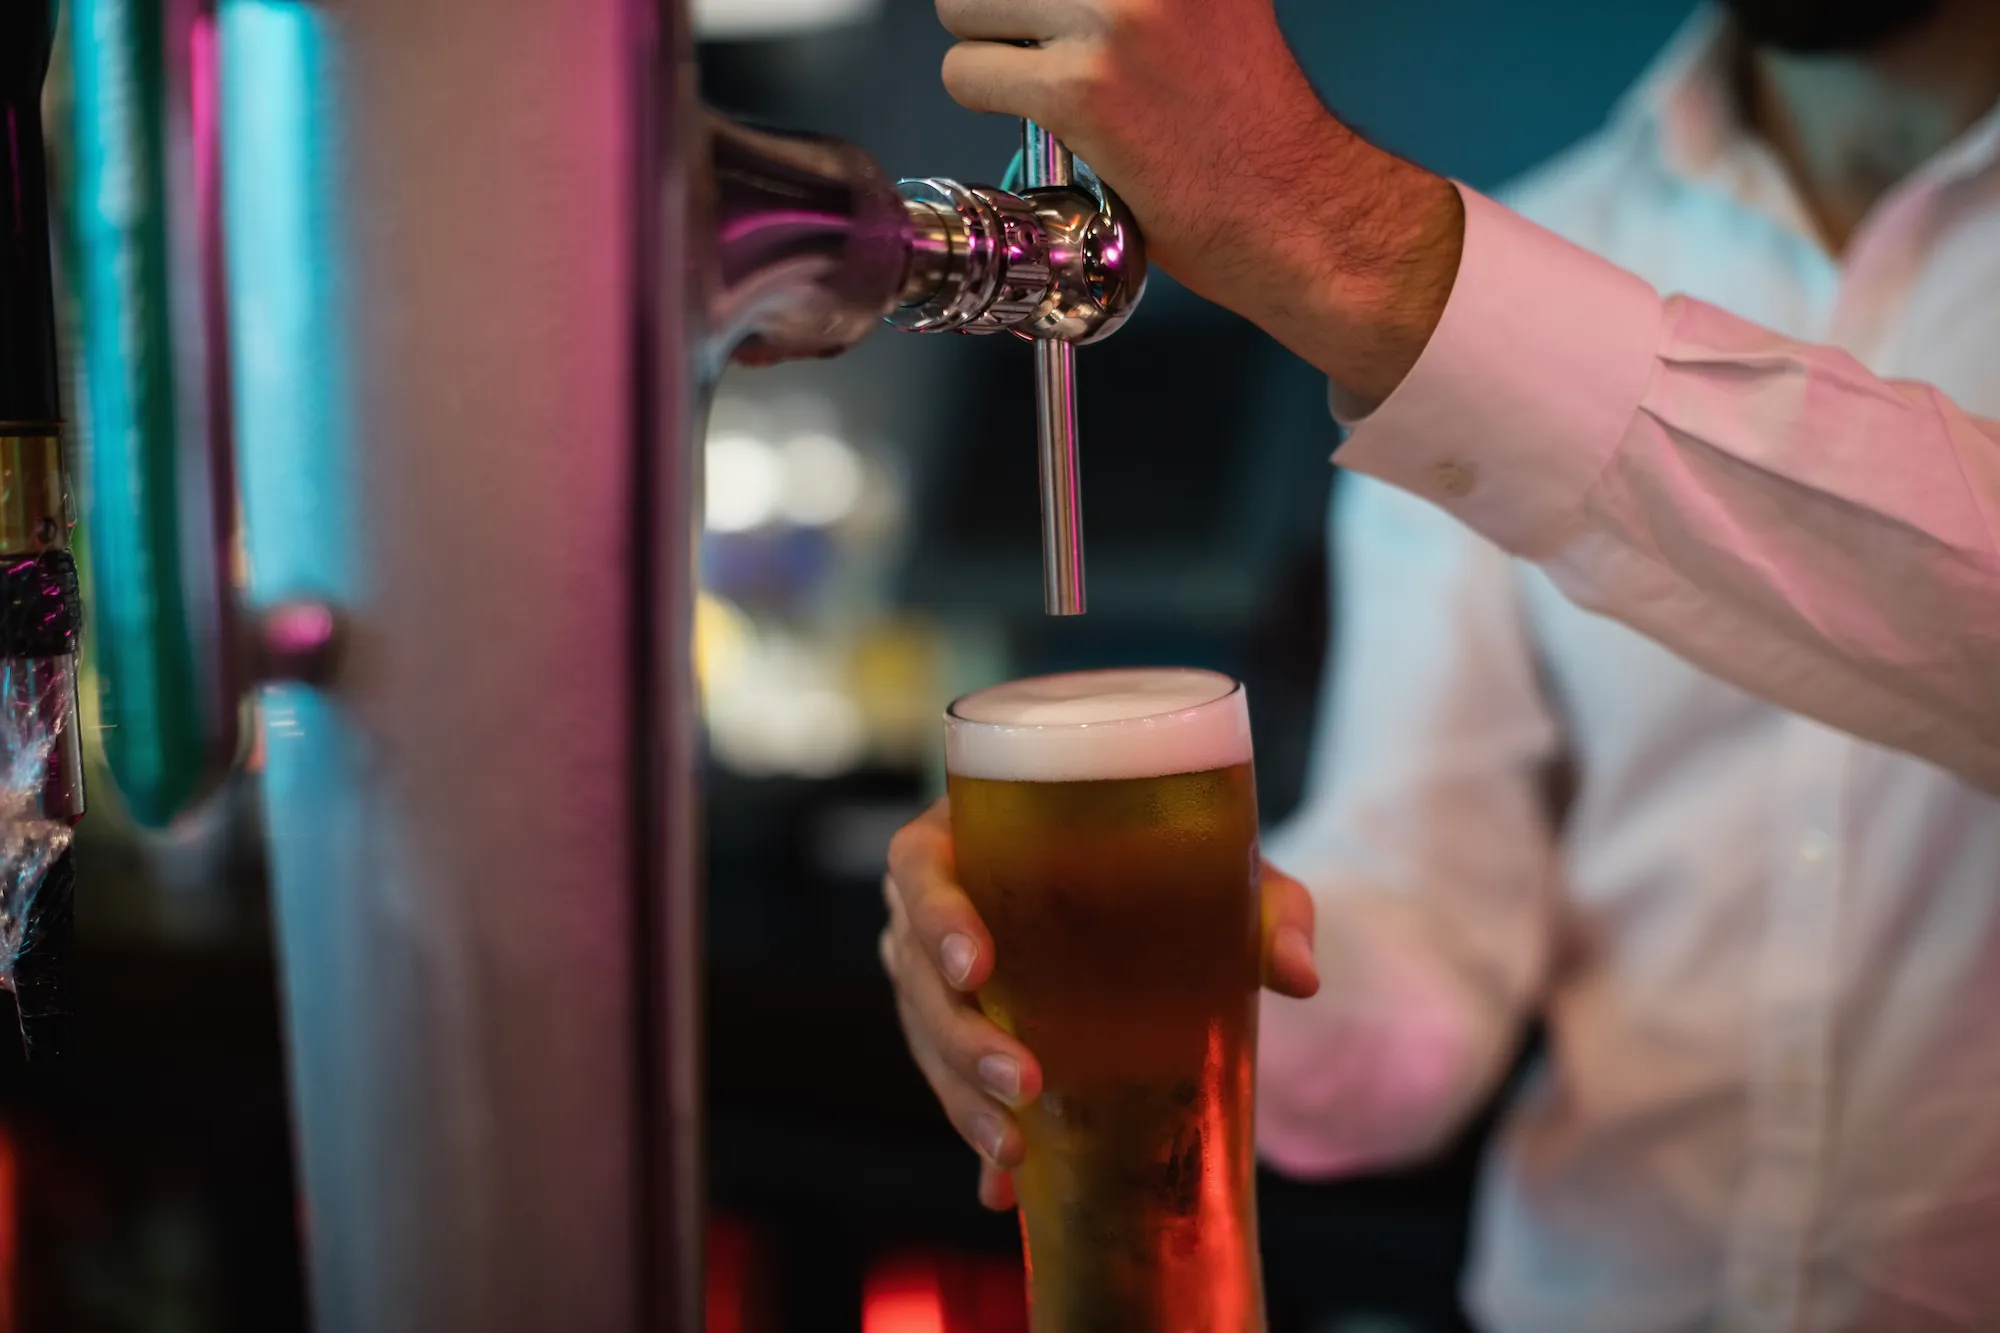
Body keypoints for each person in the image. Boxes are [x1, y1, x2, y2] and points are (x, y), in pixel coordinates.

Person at [879, 2, 2000, 1329]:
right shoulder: (1546, 247)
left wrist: (1344, 239)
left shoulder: (1469, 320)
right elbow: (1429, 933)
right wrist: (1180, 977)